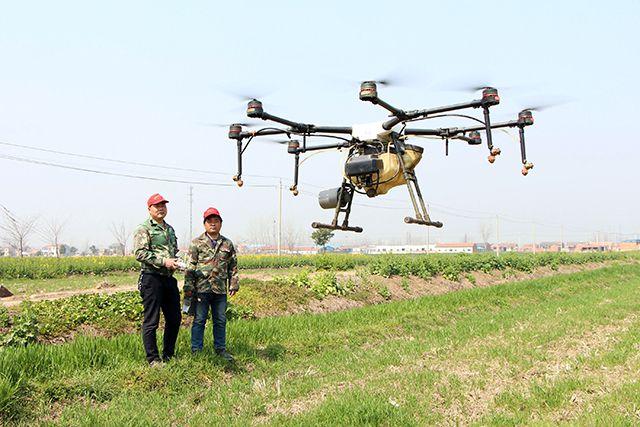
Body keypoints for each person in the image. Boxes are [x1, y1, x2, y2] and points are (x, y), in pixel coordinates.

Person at [133, 193, 182, 365]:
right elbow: (140, 253)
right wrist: (164, 261)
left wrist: (177, 261)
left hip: (168, 279)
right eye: (157, 206)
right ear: (149, 209)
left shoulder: (169, 229)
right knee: (151, 320)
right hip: (151, 279)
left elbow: (173, 252)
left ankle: (169, 354)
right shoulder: (144, 228)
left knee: (175, 318)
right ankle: (153, 358)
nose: (161, 208)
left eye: (163, 205)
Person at [184, 207, 239, 361]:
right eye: (210, 221)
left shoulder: (227, 243)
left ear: (221, 223)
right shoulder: (196, 243)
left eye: (216, 221)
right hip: (201, 288)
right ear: (205, 224)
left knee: (220, 320)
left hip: (220, 289)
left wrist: (233, 284)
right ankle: (196, 350)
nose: (213, 224)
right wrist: (188, 288)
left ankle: (220, 349)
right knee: (200, 319)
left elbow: (233, 265)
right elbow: (190, 267)